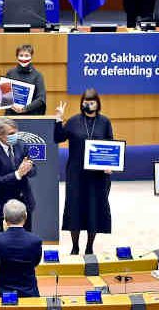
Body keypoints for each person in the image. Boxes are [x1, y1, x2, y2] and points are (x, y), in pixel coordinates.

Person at [54, 88, 113, 255]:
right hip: (76, 174)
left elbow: (111, 146)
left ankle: (89, 246)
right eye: (85, 102)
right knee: (75, 209)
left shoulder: (105, 122)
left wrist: (110, 166)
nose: (88, 105)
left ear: (97, 103)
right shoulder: (73, 121)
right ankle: (75, 246)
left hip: (98, 176)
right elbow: (58, 138)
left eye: (92, 102)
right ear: (81, 103)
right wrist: (59, 119)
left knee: (94, 209)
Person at [0, 118, 37, 233]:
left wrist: (28, 169)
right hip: (2, 207)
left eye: (16, 132)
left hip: (24, 203)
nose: (15, 136)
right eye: (11, 134)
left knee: (26, 242)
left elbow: (34, 170)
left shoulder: (22, 146)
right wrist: (18, 174)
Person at [0, 200, 42, 298]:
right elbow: (35, 263)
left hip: (2, 294)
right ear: (25, 216)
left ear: (4, 218)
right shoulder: (35, 241)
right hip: (28, 293)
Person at [4, 44, 47, 116]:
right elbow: (4, 95)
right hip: (11, 115)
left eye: (26, 55)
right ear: (17, 57)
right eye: (21, 55)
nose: (23, 58)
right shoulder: (10, 73)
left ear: (31, 57)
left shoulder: (38, 76)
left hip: (31, 116)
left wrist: (25, 108)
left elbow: (41, 98)